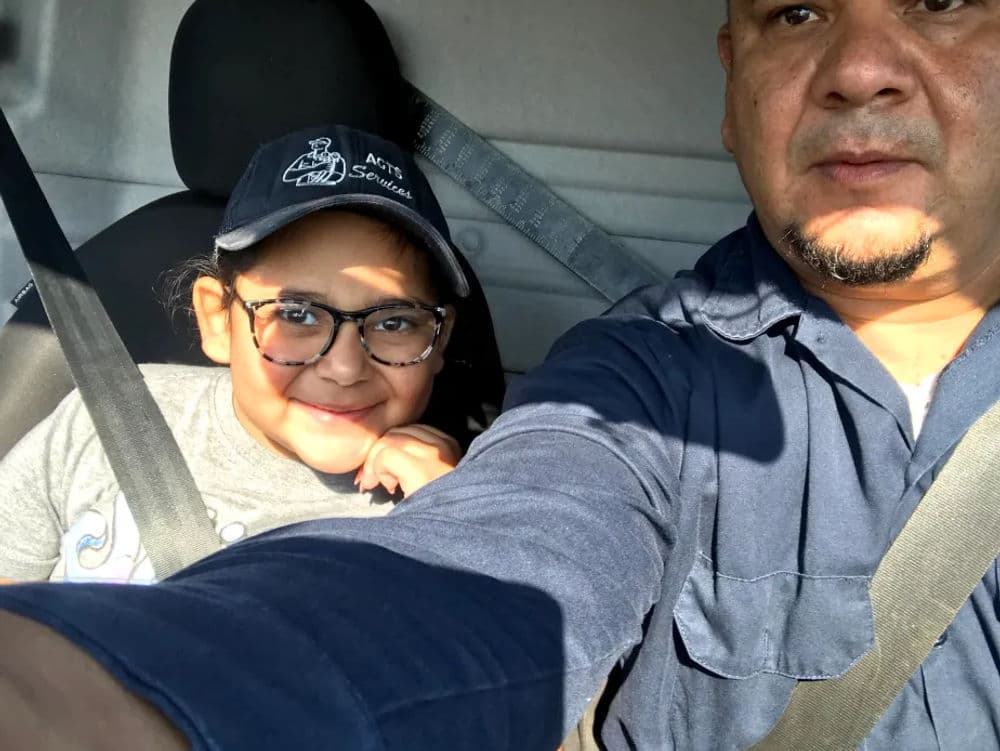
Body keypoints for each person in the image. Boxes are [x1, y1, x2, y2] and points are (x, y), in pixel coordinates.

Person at [1, 0, 1000, 748]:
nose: (859, 68)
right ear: (735, 86)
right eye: (796, 11)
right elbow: (496, 566)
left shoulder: (428, 465)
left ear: (441, 337)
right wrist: (86, 701)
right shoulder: (632, 381)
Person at [0, 123, 500, 584]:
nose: (346, 369)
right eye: (297, 315)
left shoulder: (440, 503)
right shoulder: (111, 416)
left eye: (394, 323)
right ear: (218, 320)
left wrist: (454, 524)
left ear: (440, 340)